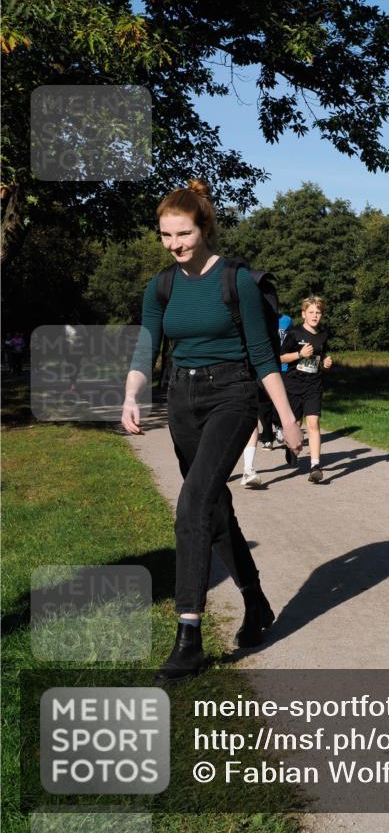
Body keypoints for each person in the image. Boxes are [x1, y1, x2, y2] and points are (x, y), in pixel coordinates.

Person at [121, 179, 303, 682]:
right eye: (165, 235)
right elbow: (147, 345)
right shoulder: (160, 287)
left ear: (204, 228)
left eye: (182, 233)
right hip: (182, 398)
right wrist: (132, 394)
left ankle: (189, 635)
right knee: (215, 509)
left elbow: (264, 355)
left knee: (193, 503)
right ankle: (256, 600)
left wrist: (288, 420)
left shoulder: (237, 281)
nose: (174, 244)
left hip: (233, 396)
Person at [280, 297, 333, 484]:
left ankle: (315, 466)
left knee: (313, 423)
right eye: (311, 312)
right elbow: (281, 358)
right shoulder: (294, 333)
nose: (315, 316)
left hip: (313, 385)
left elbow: (322, 355)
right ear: (303, 314)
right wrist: (299, 354)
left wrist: (326, 362)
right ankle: (290, 448)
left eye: (318, 313)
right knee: (294, 423)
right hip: (294, 384)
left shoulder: (323, 334)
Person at [240, 315, 293, 488]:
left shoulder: (281, 321)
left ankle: (248, 469)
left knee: (254, 417)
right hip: (235, 371)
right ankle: (215, 468)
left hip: (263, 370)